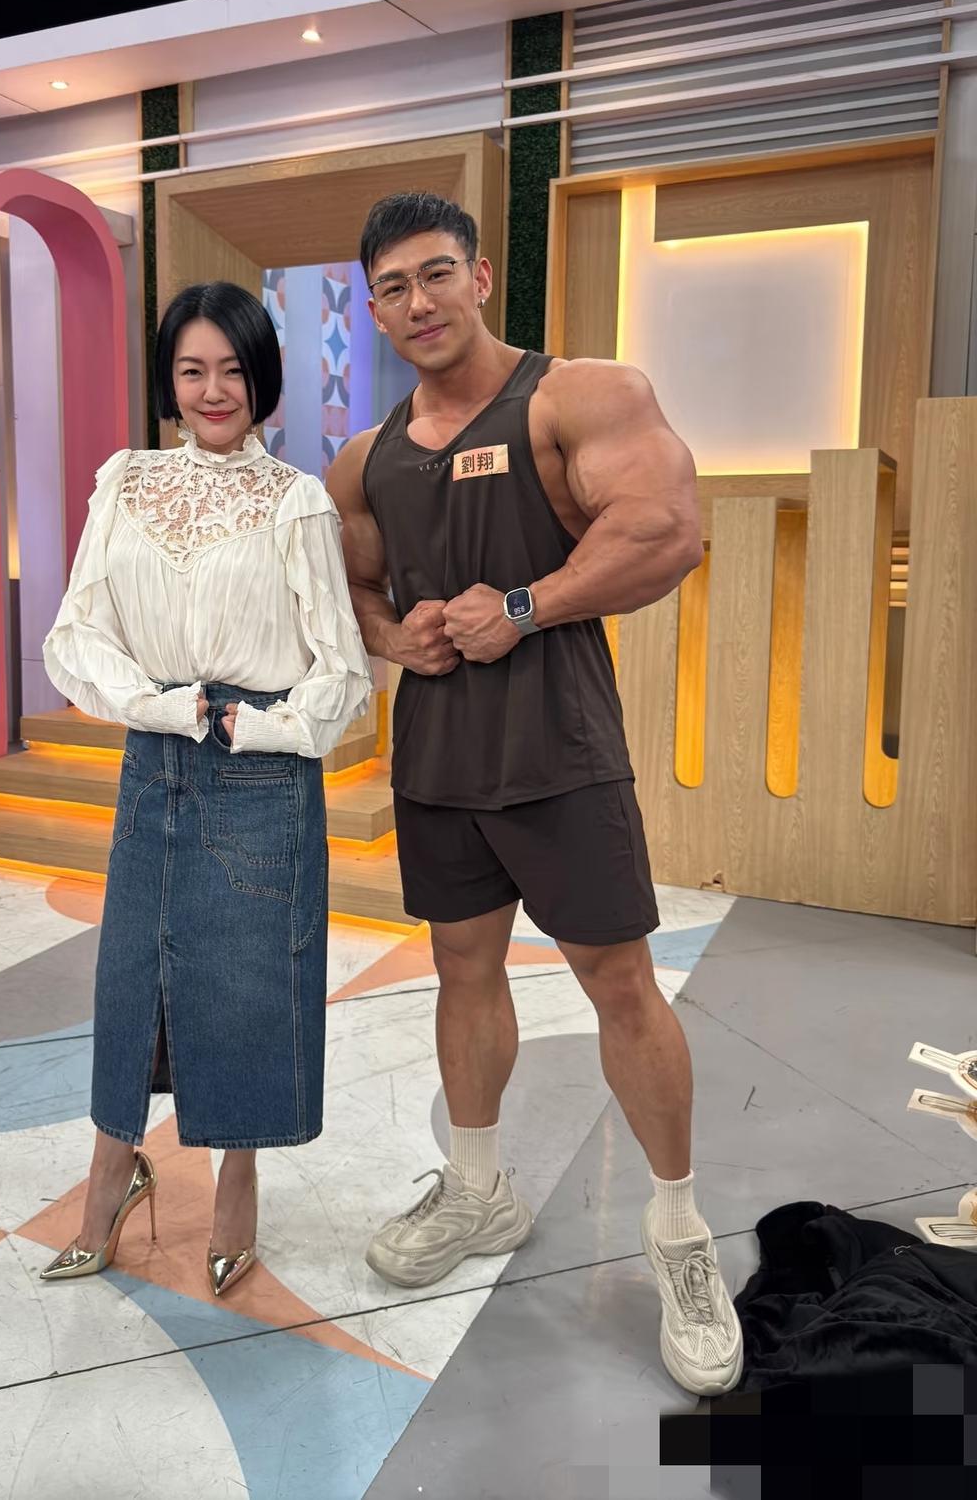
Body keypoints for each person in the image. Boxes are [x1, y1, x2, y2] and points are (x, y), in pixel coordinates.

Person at [326, 192, 743, 1395]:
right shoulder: (362, 458)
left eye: (434, 274)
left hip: (558, 746)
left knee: (618, 981)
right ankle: (477, 1189)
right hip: (437, 759)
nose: (417, 301)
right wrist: (392, 637)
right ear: (373, 310)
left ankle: (677, 1230)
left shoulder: (578, 395)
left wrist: (523, 605)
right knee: (459, 967)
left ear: (477, 277)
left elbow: (662, 529)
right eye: (391, 287)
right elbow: (348, 587)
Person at [42, 280, 372, 1297]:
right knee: (130, 979)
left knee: (248, 984)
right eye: (192, 369)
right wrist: (154, 705)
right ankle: (112, 1173)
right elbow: (76, 631)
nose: (213, 389)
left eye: (232, 368)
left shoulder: (296, 499)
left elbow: (342, 671)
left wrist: (256, 725)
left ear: (261, 378)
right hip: (157, 754)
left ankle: (238, 1179)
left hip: (260, 769)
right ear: (169, 381)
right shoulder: (124, 480)